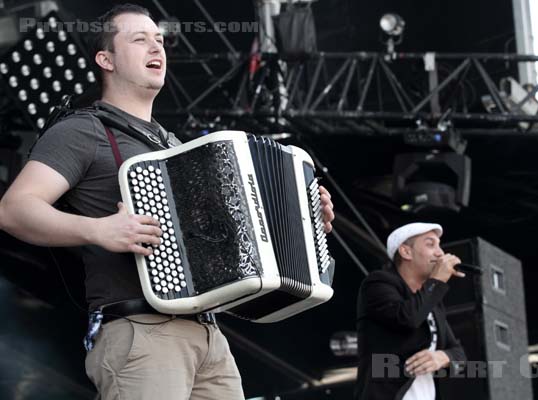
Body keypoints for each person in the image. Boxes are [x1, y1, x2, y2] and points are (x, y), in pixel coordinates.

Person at [0, 4, 335, 400]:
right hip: (140, 331)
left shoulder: (175, 147)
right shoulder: (81, 130)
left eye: (159, 40)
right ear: (105, 59)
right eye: (139, 39)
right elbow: (14, 210)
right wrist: (99, 229)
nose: (155, 47)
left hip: (208, 334)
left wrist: (304, 215)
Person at [355, 222, 466, 400]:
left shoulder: (433, 303)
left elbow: (459, 353)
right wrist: (437, 281)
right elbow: (407, 318)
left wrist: (442, 356)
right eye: (430, 244)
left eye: (439, 245)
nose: (440, 253)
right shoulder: (377, 284)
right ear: (405, 251)